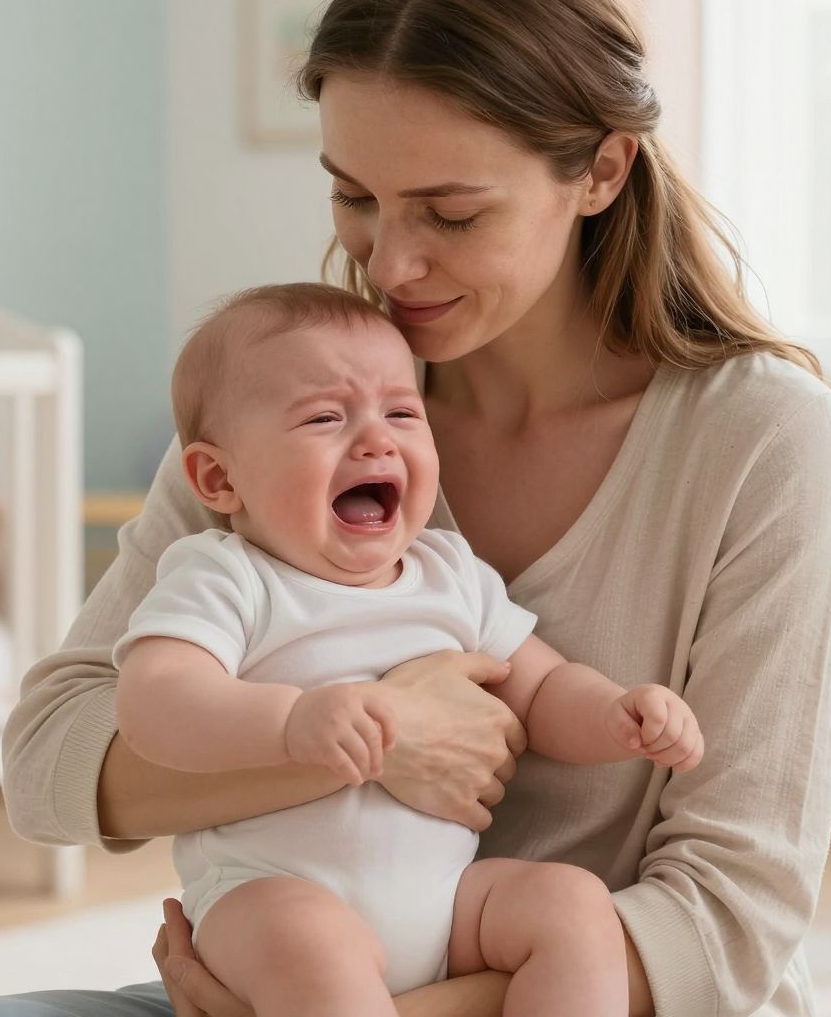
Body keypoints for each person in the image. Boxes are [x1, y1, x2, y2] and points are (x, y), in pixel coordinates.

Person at [0, 0, 831, 1017]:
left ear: (601, 171)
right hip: (312, 965)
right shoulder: (281, 415)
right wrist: (371, 741)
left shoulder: (758, 433)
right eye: (353, 198)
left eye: (452, 213)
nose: (394, 262)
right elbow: (47, 763)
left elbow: (733, 915)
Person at [114, 284, 701, 1015]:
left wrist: (619, 713)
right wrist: (290, 725)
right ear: (219, 478)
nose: (375, 440)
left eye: (401, 413)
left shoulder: (450, 572)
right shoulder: (229, 576)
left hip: (445, 908)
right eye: (325, 418)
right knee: (314, 952)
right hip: (272, 898)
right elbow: (153, 700)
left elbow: (542, 688)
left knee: (573, 905)